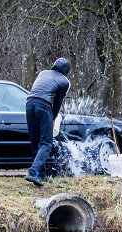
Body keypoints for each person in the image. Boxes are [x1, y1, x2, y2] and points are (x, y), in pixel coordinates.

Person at [25, 57, 71, 186]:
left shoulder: (43, 73)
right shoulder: (64, 82)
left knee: (36, 140)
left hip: (29, 103)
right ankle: (33, 172)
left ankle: (42, 175)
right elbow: (57, 103)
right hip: (44, 106)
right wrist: (53, 117)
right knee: (46, 142)